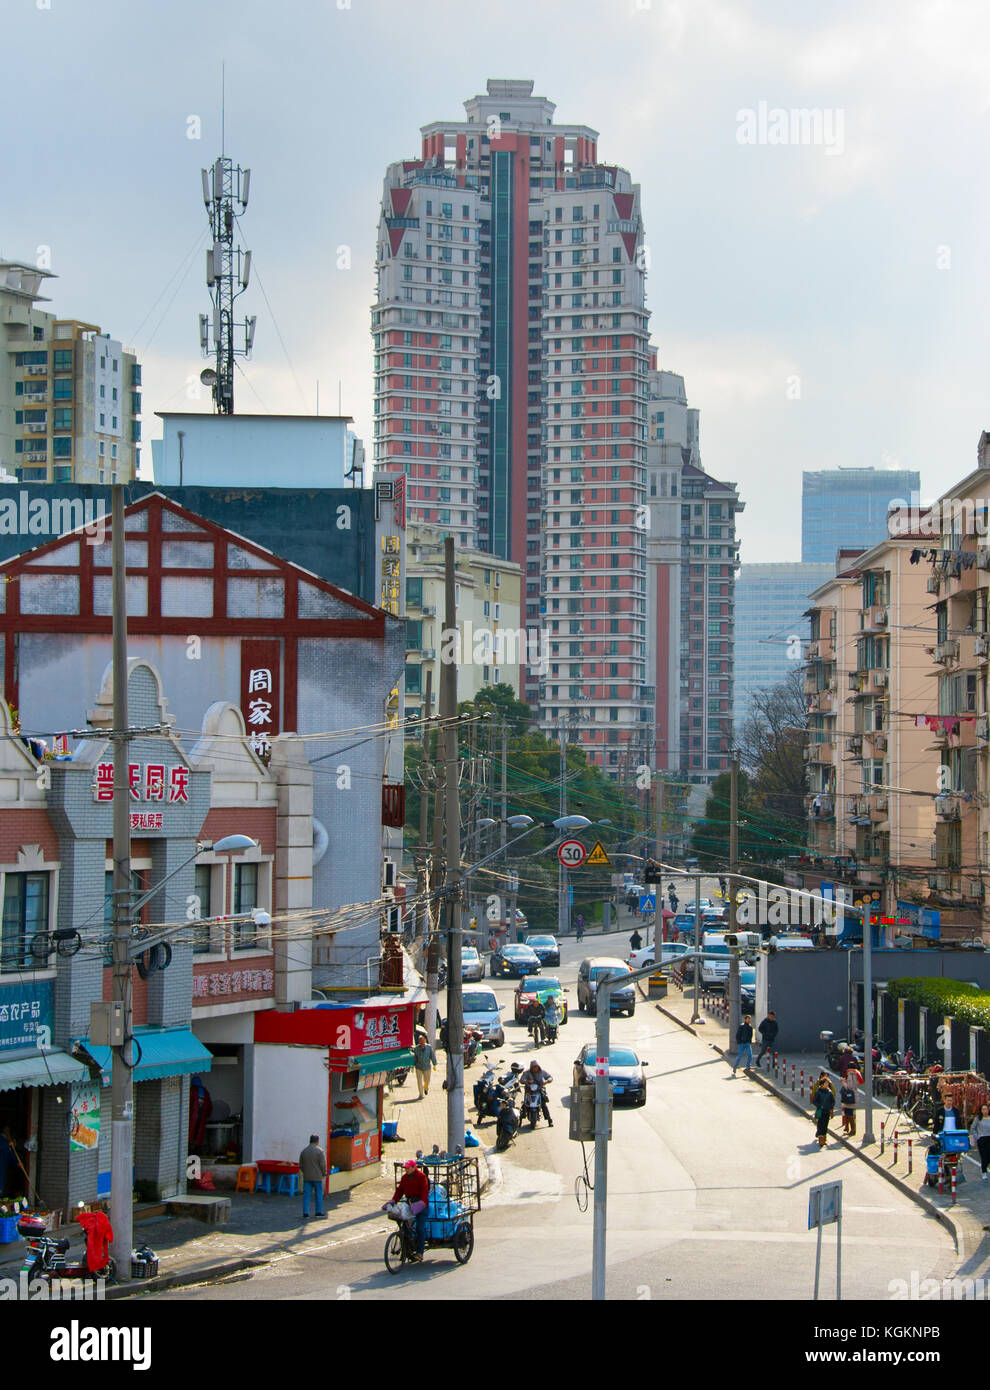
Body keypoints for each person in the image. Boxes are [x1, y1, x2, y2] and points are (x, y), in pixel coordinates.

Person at [385, 1159, 430, 1261]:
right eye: (405, 1168)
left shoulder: (422, 1177)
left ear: (414, 1167)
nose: (406, 1170)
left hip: (422, 1207)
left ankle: (420, 1252)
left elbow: (424, 1193)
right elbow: (399, 1191)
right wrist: (393, 1201)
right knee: (404, 1226)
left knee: (419, 1228)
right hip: (409, 1205)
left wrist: (420, 1203)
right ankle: (407, 1248)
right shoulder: (404, 1178)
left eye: (408, 1168)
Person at [299, 1134, 327, 1220]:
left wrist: (305, 1172)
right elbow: (323, 1165)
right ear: (317, 1141)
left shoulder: (304, 1151)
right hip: (317, 1177)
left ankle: (305, 1213)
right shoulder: (320, 1151)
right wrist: (323, 1173)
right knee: (318, 1194)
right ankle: (318, 1212)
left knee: (306, 1195)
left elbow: (301, 1165)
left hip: (307, 1177)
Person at [523, 1059, 553, 1126]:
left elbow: (550, 1077)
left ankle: (549, 1120)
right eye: (533, 1067)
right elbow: (522, 1079)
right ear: (531, 1067)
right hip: (529, 1090)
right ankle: (522, 1116)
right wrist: (527, 1081)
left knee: (543, 1105)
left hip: (539, 1090)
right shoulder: (527, 1073)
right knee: (525, 1103)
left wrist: (547, 1081)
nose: (535, 1069)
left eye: (536, 1067)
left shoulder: (542, 1072)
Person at [811, 1073, 836, 1147]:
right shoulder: (818, 1092)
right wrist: (819, 1106)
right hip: (820, 1110)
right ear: (822, 1084)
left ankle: (824, 1137)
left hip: (827, 1111)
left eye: (828, 1083)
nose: (827, 1084)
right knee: (820, 1124)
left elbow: (833, 1101)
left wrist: (831, 1108)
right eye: (826, 1083)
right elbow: (814, 1101)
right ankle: (820, 1139)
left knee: (825, 1124)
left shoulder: (829, 1092)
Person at [969, 1103, 990, 1181]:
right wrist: (977, 1136)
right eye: (983, 1109)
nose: (985, 1111)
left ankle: (984, 1168)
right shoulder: (978, 1118)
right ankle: (984, 1172)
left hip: (989, 1138)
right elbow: (973, 1128)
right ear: (981, 1111)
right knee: (984, 1157)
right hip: (982, 1139)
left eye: (986, 1109)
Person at [413, 1033, 437, 1099]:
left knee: (427, 1080)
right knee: (419, 1081)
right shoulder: (416, 1049)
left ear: (425, 1040)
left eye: (423, 1040)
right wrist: (413, 1065)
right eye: (420, 1040)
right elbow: (414, 1058)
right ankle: (421, 1094)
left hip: (427, 1067)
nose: (422, 1042)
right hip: (419, 1067)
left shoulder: (429, 1047)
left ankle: (426, 1088)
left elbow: (432, 1056)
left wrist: (434, 1064)